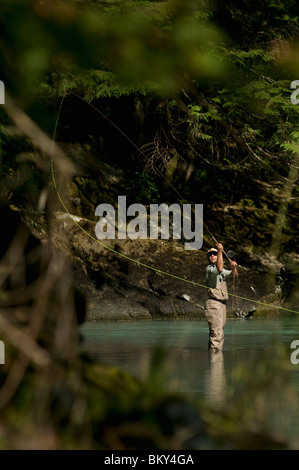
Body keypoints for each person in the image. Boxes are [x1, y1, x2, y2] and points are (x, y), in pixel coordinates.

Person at [204, 243, 237, 352]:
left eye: (214, 253)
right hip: (213, 305)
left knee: (218, 332)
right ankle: (216, 362)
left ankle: (213, 359)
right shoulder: (209, 269)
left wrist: (233, 268)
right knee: (217, 333)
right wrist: (219, 250)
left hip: (221, 305)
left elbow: (234, 275)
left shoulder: (221, 269)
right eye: (210, 255)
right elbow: (219, 268)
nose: (212, 256)